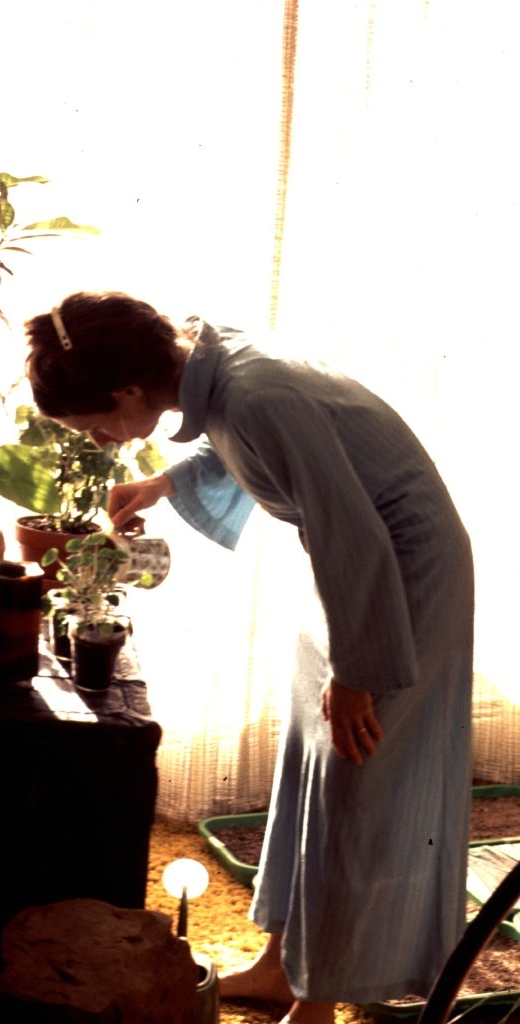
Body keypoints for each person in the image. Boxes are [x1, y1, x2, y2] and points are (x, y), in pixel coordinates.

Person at [26, 290, 474, 1024]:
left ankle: (317, 1000)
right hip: (344, 566)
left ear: (130, 389)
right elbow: (246, 441)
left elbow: (350, 529)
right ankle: (280, 967)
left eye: (98, 425)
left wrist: (358, 671)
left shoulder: (257, 393)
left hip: (398, 572)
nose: (105, 441)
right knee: (310, 761)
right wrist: (164, 481)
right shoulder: (208, 359)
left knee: (356, 778)